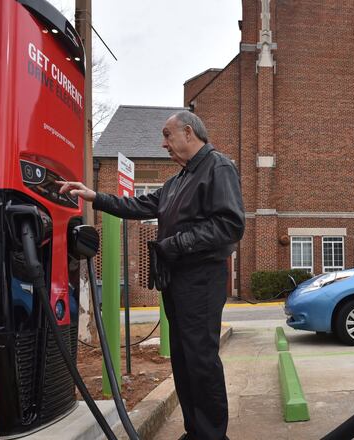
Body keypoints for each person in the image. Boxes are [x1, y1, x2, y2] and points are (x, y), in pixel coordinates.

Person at [59, 111, 244, 440]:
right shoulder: (176, 181)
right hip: (176, 280)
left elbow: (230, 225)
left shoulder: (219, 167)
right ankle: (196, 431)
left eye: (168, 135)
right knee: (184, 360)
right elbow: (140, 205)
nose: (163, 143)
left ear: (189, 132)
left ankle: (213, 436)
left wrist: (175, 244)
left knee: (201, 360)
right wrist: (95, 197)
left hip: (201, 279)